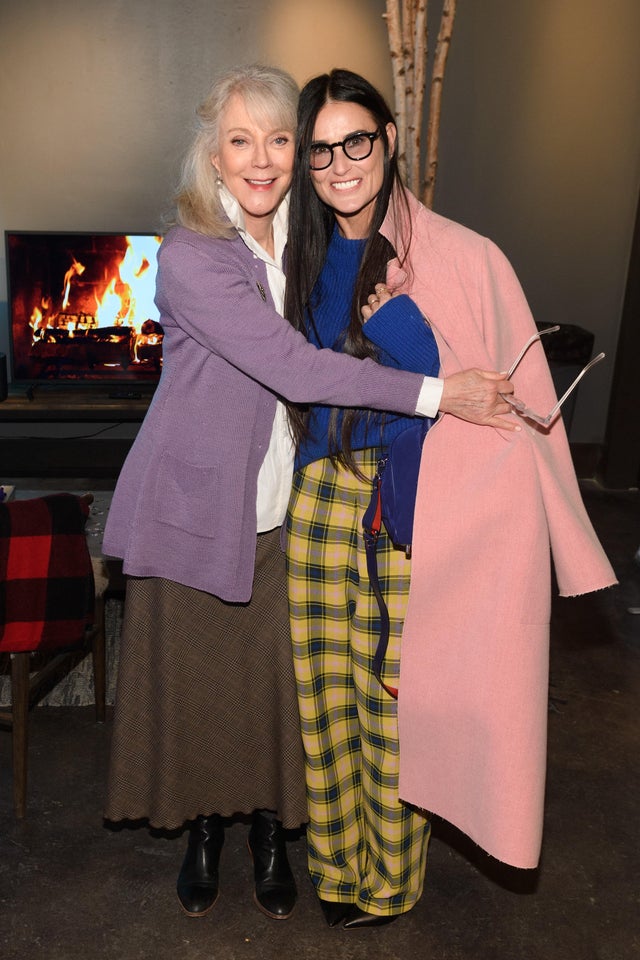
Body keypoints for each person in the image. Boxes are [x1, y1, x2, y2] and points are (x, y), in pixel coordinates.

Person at [102, 65, 512, 925]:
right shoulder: (191, 257)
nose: (262, 159)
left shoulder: (300, 233)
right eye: (240, 141)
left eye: (280, 139)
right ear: (212, 157)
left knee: (272, 691)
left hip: (286, 508)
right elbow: (294, 365)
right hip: (196, 512)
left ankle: (265, 834)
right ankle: (203, 836)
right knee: (199, 687)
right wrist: (442, 394)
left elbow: (375, 260)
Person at [283, 68, 616, 929]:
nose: (339, 163)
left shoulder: (462, 256)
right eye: (320, 150)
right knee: (324, 696)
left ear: (390, 140)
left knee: (398, 703)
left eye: (357, 140)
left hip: (415, 510)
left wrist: (403, 330)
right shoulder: (299, 252)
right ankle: (333, 863)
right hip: (321, 498)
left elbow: (509, 399)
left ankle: (388, 881)